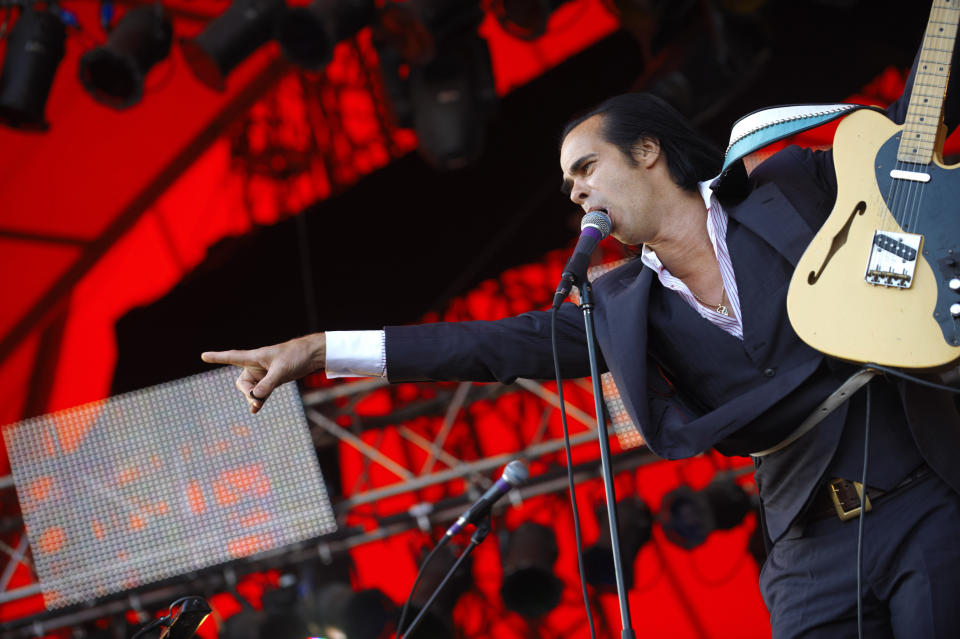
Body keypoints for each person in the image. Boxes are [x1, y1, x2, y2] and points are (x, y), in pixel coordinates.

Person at [202, 9, 960, 636]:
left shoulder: (787, 184)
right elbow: (482, 344)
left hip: (923, 491)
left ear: (649, 150)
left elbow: (905, 155)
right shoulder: (623, 307)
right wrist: (320, 349)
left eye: (585, 168)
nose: (574, 191)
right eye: (567, 183)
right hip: (807, 544)